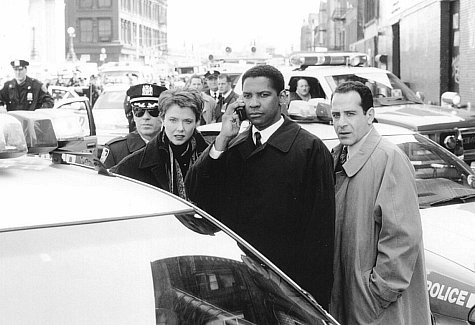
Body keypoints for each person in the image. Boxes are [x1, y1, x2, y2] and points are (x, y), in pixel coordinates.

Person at [185, 65, 335, 308]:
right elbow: (196, 195)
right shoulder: (234, 145)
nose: (254, 103)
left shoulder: (309, 149)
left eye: (263, 95)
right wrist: (222, 140)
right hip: (239, 283)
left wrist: (313, 303)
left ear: (283, 97)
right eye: (247, 96)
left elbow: (320, 235)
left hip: (291, 288)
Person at [329, 81, 430, 324]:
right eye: (336, 115)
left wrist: (376, 294)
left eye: (350, 114)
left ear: (370, 115)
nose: (341, 122)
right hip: (350, 298)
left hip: (375, 307)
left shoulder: (389, 157)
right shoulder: (336, 155)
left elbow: (401, 238)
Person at [111, 88, 209, 200]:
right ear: (162, 118)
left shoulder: (210, 157)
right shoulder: (131, 165)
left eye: (187, 121)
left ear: (197, 121)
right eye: (173, 120)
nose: (180, 128)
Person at [100, 83, 167, 169]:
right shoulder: (115, 150)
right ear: (133, 115)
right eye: (139, 111)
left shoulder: (173, 146)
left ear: (163, 115)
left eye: (153, 111)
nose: (146, 117)